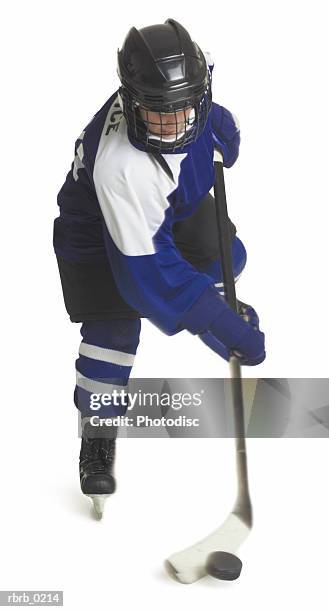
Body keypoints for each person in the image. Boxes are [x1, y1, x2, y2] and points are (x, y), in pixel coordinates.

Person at [53, 18, 265, 517]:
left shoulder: (188, 77)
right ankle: (98, 434)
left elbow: (198, 107)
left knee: (229, 258)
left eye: (187, 108)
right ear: (132, 99)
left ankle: (214, 306)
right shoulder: (121, 168)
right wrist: (211, 319)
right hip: (99, 231)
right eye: (158, 114)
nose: (174, 125)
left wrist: (217, 123)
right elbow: (151, 278)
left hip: (167, 202)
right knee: (112, 334)